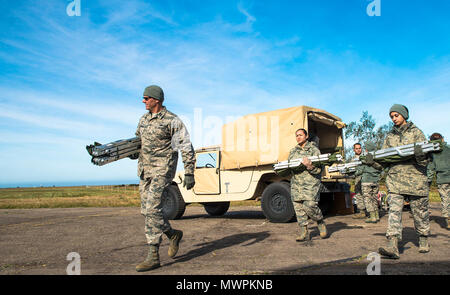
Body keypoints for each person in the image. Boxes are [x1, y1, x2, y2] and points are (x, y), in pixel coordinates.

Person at [133, 85, 196, 272]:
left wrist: (189, 171)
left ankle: (153, 256)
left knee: (152, 208)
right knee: (146, 211)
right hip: (145, 171)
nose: (143, 101)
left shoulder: (172, 121)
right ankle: (172, 233)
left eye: (146, 98)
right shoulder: (143, 119)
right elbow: (137, 142)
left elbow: (185, 146)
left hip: (162, 170)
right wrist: (126, 152)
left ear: (156, 100)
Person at [376, 104, 430, 259]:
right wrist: (371, 162)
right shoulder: (389, 137)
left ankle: (423, 238)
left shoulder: (416, 133)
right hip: (395, 181)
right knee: (394, 213)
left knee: (420, 213)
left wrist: (420, 154)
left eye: (396, 115)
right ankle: (393, 245)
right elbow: (384, 161)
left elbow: (425, 161)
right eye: (391, 116)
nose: (394, 119)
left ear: (404, 115)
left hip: (416, 179)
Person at [289, 128, 328, 241]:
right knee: (299, 208)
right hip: (296, 184)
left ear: (306, 136)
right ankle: (304, 232)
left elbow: (319, 170)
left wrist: (309, 166)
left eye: (300, 135)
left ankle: (320, 222)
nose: (298, 137)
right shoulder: (293, 151)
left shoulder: (314, 150)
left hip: (310, 184)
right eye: (296, 135)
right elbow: (290, 167)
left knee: (310, 205)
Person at [427, 133, 450, 229]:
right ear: (442, 139)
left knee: (446, 199)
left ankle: (448, 220)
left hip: (442, 179)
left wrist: (428, 181)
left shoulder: (433, 153)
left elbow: (431, 169)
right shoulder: (448, 149)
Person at [358, 142, 383, 223]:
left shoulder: (365, 158)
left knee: (368, 199)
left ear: (367, 149)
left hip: (366, 181)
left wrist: (355, 173)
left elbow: (360, 170)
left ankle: (372, 217)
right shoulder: (378, 157)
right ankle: (376, 215)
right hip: (375, 181)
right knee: (375, 198)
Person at [351, 143, 366, 219]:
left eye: (359, 148)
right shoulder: (352, 159)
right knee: (359, 195)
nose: (358, 150)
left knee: (367, 195)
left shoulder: (365, 157)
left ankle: (371, 212)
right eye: (356, 148)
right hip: (357, 180)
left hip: (365, 179)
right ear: (354, 150)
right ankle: (362, 212)